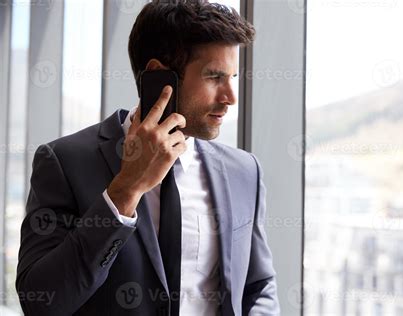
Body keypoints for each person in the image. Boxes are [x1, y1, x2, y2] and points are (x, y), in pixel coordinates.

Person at [16, 1, 279, 315]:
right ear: (159, 76)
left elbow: (259, 287)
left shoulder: (244, 171)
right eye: (213, 77)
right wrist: (125, 190)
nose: (230, 97)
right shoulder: (64, 161)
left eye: (232, 77)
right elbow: (40, 301)